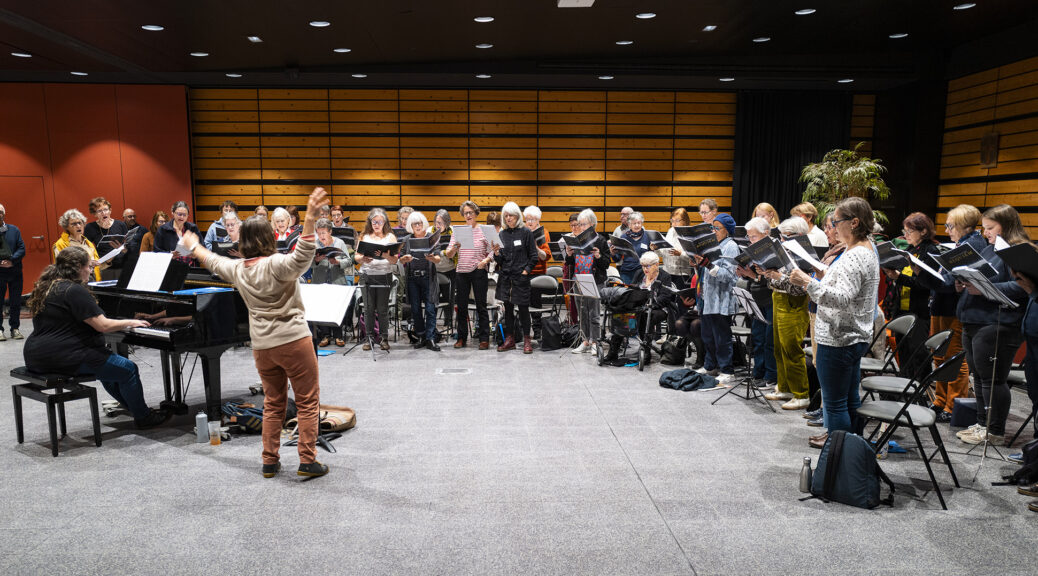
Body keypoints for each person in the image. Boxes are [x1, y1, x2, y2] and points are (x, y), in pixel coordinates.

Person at [179, 187, 330, 478]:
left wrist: (192, 244)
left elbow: (211, 260)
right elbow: (303, 255)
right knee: (307, 401)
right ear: (270, 237)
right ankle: (307, 460)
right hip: (293, 340)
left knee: (273, 403)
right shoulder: (276, 264)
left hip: (262, 346)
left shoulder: (238, 269)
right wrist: (310, 217)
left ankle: (269, 461)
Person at [22, 245, 169, 428]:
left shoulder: (48, 286)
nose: (91, 271)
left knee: (110, 366)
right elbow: (103, 325)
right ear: (77, 267)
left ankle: (134, 408)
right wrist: (130, 322)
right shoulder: (73, 290)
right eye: (89, 267)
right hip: (64, 356)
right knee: (128, 369)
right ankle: (143, 416)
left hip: (36, 356)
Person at [789, 197, 880, 446]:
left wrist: (808, 283)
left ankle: (837, 457)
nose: (833, 226)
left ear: (854, 222)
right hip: (852, 335)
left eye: (836, 222)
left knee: (836, 403)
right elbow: (847, 286)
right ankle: (851, 450)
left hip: (839, 337)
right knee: (850, 399)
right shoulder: (864, 248)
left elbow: (841, 298)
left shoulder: (855, 255)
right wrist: (823, 274)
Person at [956, 204, 1030, 446]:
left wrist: (985, 289)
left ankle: (994, 430)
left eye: (990, 227)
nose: (985, 232)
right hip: (975, 318)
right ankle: (981, 423)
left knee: (992, 379)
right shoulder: (990, 249)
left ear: (1006, 226)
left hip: (1000, 322)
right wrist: (963, 283)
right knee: (978, 377)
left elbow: (1022, 286)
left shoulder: (1018, 250)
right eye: (984, 227)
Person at [915, 204, 983, 423]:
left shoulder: (972, 245)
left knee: (954, 358)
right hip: (941, 306)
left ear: (963, 226)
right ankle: (940, 400)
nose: (948, 229)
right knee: (940, 356)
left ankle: (953, 404)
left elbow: (951, 282)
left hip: (954, 309)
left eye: (951, 225)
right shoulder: (960, 244)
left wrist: (923, 274)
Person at [883, 213, 941, 393]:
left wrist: (900, 278)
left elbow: (926, 285)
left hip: (919, 309)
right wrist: (892, 274)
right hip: (902, 307)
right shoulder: (909, 249)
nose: (906, 234)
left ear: (923, 231)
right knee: (903, 351)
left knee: (918, 352)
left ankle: (922, 390)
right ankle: (906, 388)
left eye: (910, 231)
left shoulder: (930, 250)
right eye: (904, 230)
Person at [763, 217, 813, 410]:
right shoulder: (785, 252)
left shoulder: (804, 255)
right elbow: (775, 281)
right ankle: (784, 387)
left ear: (799, 236)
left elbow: (801, 288)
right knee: (778, 348)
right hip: (778, 299)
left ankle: (801, 394)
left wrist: (778, 277)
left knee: (792, 349)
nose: (782, 240)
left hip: (793, 304)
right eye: (781, 236)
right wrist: (769, 275)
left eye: (786, 236)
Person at [693, 213, 740, 385]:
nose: (713, 231)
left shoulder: (731, 247)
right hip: (708, 296)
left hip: (722, 299)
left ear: (727, 231)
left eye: (717, 228)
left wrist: (709, 265)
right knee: (708, 335)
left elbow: (729, 276)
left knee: (722, 337)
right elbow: (707, 273)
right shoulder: (712, 245)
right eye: (712, 227)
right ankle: (710, 365)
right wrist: (698, 264)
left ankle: (727, 369)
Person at [606, 251, 674, 361]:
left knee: (646, 315)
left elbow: (665, 297)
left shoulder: (664, 276)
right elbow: (632, 291)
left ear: (656, 265)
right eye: (642, 266)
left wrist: (650, 304)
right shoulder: (639, 273)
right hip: (638, 307)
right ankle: (613, 351)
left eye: (648, 266)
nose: (645, 269)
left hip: (658, 308)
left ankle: (646, 351)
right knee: (622, 314)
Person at [445, 201, 494, 349]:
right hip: (461, 271)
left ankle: (484, 338)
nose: (468, 215)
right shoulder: (457, 231)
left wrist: (485, 260)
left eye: (470, 213)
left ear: (476, 214)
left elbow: (493, 249)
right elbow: (448, 253)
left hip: (478, 270)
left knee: (481, 305)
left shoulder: (485, 230)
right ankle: (461, 338)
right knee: (461, 307)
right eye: (465, 213)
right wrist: (455, 247)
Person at [736, 217, 777, 387]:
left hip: (771, 299)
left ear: (766, 234)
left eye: (753, 237)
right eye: (748, 237)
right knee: (758, 338)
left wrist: (753, 276)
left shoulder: (775, 249)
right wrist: (744, 272)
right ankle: (757, 373)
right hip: (756, 297)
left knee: (769, 341)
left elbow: (774, 280)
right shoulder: (755, 250)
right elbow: (757, 276)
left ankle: (770, 376)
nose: (750, 240)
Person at [494, 202, 538, 354]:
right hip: (506, 277)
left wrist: (526, 271)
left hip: (520, 278)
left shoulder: (526, 232)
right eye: (505, 216)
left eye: (511, 215)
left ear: (517, 216)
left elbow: (533, 256)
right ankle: (510, 339)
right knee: (508, 310)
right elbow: (500, 261)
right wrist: (497, 253)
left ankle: (527, 340)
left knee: (524, 309)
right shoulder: (502, 234)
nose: (508, 218)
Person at [354, 207, 399, 351]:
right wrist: (363, 259)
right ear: (370, 222)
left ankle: (384, 338)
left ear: (384, 222)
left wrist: (385, 255)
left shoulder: (390, 237)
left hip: (384, 275)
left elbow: (394, 261)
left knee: (382, 309)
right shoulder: (365, 236)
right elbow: (356, 257)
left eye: (379, 221)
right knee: (368, 309)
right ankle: (369, 338)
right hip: (367, 276)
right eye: (374, 221)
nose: (377, 224)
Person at [567, 209, 610, 355]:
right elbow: (571, 262)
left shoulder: (601, 240)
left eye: (583, 224)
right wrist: (569, 255)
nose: (580, 227)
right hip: (579, 279)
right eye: (579, 224)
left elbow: (606, 264)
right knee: (582, 312)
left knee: (594, 312)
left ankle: (595, 341)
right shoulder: (577, 239)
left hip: (595, 280)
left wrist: (598, 256)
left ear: (592, 224)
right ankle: (585, 341)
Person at [398, 211, 441, 352]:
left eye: (420, 223)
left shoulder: (432, 238)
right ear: (411, 226)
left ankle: (431, 338)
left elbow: (438, 258)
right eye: (414, 224)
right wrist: (405, 259)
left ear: (424, 224)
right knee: (415, 309)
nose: (417, 226)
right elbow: (401, 258)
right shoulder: (407, 239)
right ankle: (421, 336)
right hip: (412, 278)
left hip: (428, 277)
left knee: (430, 309)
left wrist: (432, 259)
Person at [312, 218, 354, 348]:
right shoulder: (314, 244)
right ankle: (325, 335)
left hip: (337, 280)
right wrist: (317, 260)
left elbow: (349, 261)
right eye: (319, 233)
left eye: (324, 233)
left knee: (337, 309)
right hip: (320, 280)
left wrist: (338, 262)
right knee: (323, 308)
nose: (321, 236)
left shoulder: (340, 242)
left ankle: (338, 335)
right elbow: (308, 264)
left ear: (330, 231)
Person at [52, 209, 103, 281]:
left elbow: (97, 265)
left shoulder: (88, 243)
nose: (78, 226)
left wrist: (107, 262)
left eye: (80, 223)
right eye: (74, 224)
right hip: (75, 281)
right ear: (66, 227)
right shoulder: (60, 244)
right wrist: (87, 264)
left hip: (92, 279)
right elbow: (62, 268)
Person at [84, 196, 128, 277]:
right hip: (104, 267)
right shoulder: (90, 227)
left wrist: (124, 249)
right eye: (99, 211)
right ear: (95, 214)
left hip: (122, 266)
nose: (103, 213)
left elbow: (128, 245)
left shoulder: (120, 224)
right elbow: (85, 247)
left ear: (110, 211)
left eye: (105, 209)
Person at [0, 204, 26, 341]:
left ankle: (15, 328)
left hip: (15, 271)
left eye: (0, 212)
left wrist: (12, 260)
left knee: (16, 301)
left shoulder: (14, 230)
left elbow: (22, 248)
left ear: (4, 214)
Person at [433, 209, 456, 340]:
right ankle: (433, 324)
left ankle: (449, 322)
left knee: (449, 298)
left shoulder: (453, 231)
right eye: (437, 222)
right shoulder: (430, 232)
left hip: (450, 268)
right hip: (436, 269)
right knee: (435, 296)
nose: (438, 225)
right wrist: (442, 252)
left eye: (441, 223)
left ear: (447, 223)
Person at [657, 207, 692, 289]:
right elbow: (664, 253)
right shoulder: (670, 231)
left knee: (680, 299)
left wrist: (680, 254)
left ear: (685, 221)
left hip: (682, 275)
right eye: (672, 221)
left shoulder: (689, 235)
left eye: (677, 221)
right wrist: (656, 248)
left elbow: (694, 257)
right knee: (668, 299)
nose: (673, 224)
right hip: (667, 272)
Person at [613, 212, 652, 286]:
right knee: (627, 294)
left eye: (639, 223)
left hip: (643, 272)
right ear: (629, 225)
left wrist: (653, 249)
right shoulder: (623, 237)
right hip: (627, 273)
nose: (637, 225)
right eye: (634, 223)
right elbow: (617, 259)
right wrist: (613, 253)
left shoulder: (648, 237)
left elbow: (651, 257)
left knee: (641, 295)